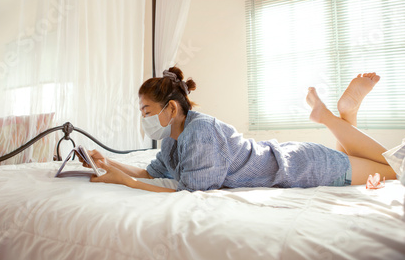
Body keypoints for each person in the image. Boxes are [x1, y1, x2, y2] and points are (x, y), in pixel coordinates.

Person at [80, 67, 397, 192]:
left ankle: (332, 116)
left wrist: (124, 181)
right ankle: (347, 115)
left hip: (304, 168)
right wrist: (108, 162)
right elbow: (152, 172)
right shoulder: (173, 138)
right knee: (364, 159)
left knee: (393, 168)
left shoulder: (199, 131)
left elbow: (189, 188)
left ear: (171, 108)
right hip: (293, 157)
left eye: (147, 110)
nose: (145, 118)